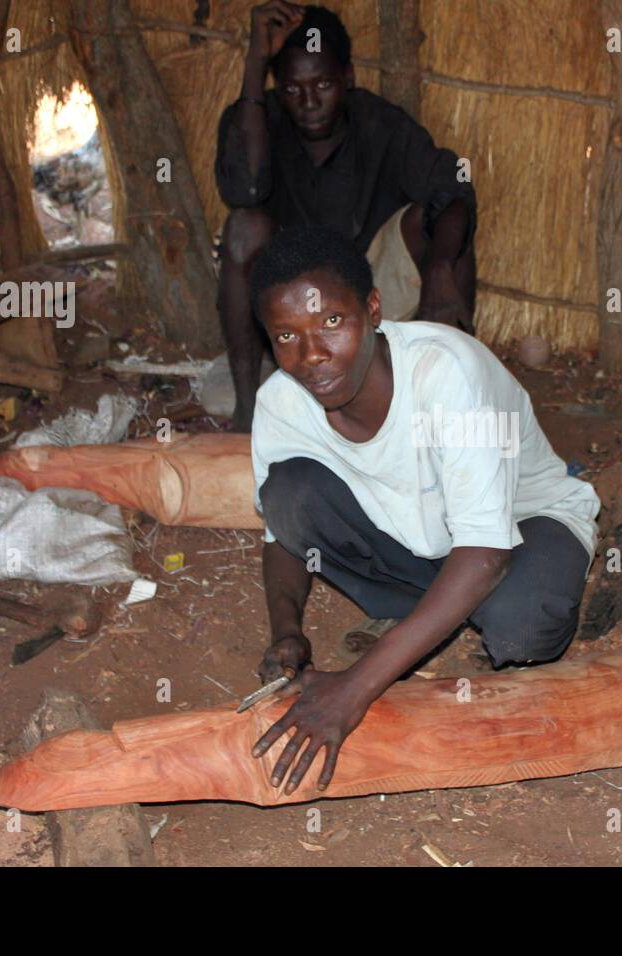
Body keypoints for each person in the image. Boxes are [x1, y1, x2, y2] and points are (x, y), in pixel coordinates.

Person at [246, 226, 601, 794]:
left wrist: (355, 688)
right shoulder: (280, 404)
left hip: (521, 528)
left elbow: (486, 551)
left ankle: (449, 615)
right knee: (289, 489)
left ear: (373, 309)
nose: (312, 355)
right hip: (418, 549)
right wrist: (286, 633)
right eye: (287, 335)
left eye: (332, 321)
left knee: (523, 626)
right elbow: (280, 536)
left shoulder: (446, 373)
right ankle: (434, 614)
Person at [215, 1, 478, 432]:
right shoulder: (258, 120)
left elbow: (454, 189)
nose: (309, 102)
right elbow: (243, 191)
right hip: (296, 305)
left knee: (446, 225)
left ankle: (450, 400)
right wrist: (255, 62)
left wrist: (440, 266)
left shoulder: (380, 124)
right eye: (292, 89)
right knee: (244, 227)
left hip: (372, 297)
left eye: (323, 84)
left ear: (348, 78)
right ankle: (247, 410)